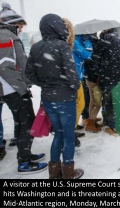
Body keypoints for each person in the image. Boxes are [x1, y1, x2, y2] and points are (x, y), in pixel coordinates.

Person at [25, 13, 83, 179]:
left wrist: (45, 83)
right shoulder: (62, 46)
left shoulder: (36, 47)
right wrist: (74, 87)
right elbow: (72, 75)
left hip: (48, 99)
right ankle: (68, 172)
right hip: (65, 99)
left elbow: (28, 73)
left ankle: (54, 171)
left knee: (58, 134)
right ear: (57, 27)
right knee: (69, 136)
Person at [0, 2, 47, 173]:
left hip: (12, 89)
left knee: (22, 123)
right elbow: (5, 66)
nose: (20, 30)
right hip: (13, 90)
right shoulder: (5, 36)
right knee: (26, 123)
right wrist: (21, 87)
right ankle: (24, 162)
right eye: (19, 26)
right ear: (11, 23)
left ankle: (25, 155)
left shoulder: (8, 36)